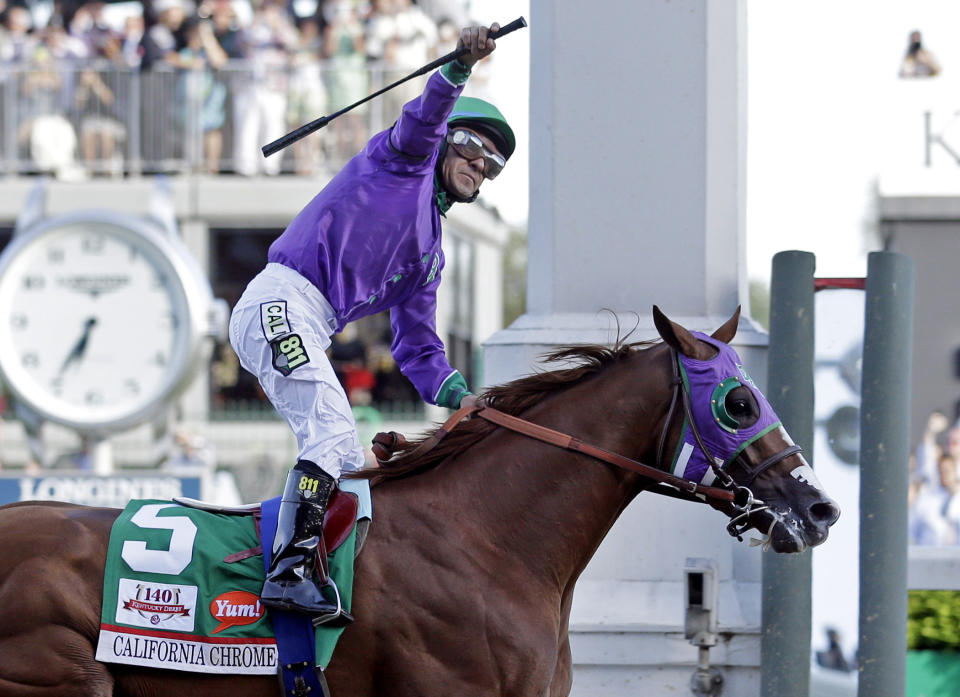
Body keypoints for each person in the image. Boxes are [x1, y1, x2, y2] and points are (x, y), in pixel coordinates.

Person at [229, 22, 514, 619]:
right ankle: (287, 573)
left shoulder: (433, 256)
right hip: (279, 300)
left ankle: (323, 567)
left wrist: (465, 397)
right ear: (442, 144)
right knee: (332, 436)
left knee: (353, 458)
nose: (479, 163)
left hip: (312, 320)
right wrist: (459, 69)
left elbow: (418, 350)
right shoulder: (401, 160)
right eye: (470, 145)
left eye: (492, 163)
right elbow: (425, 117)